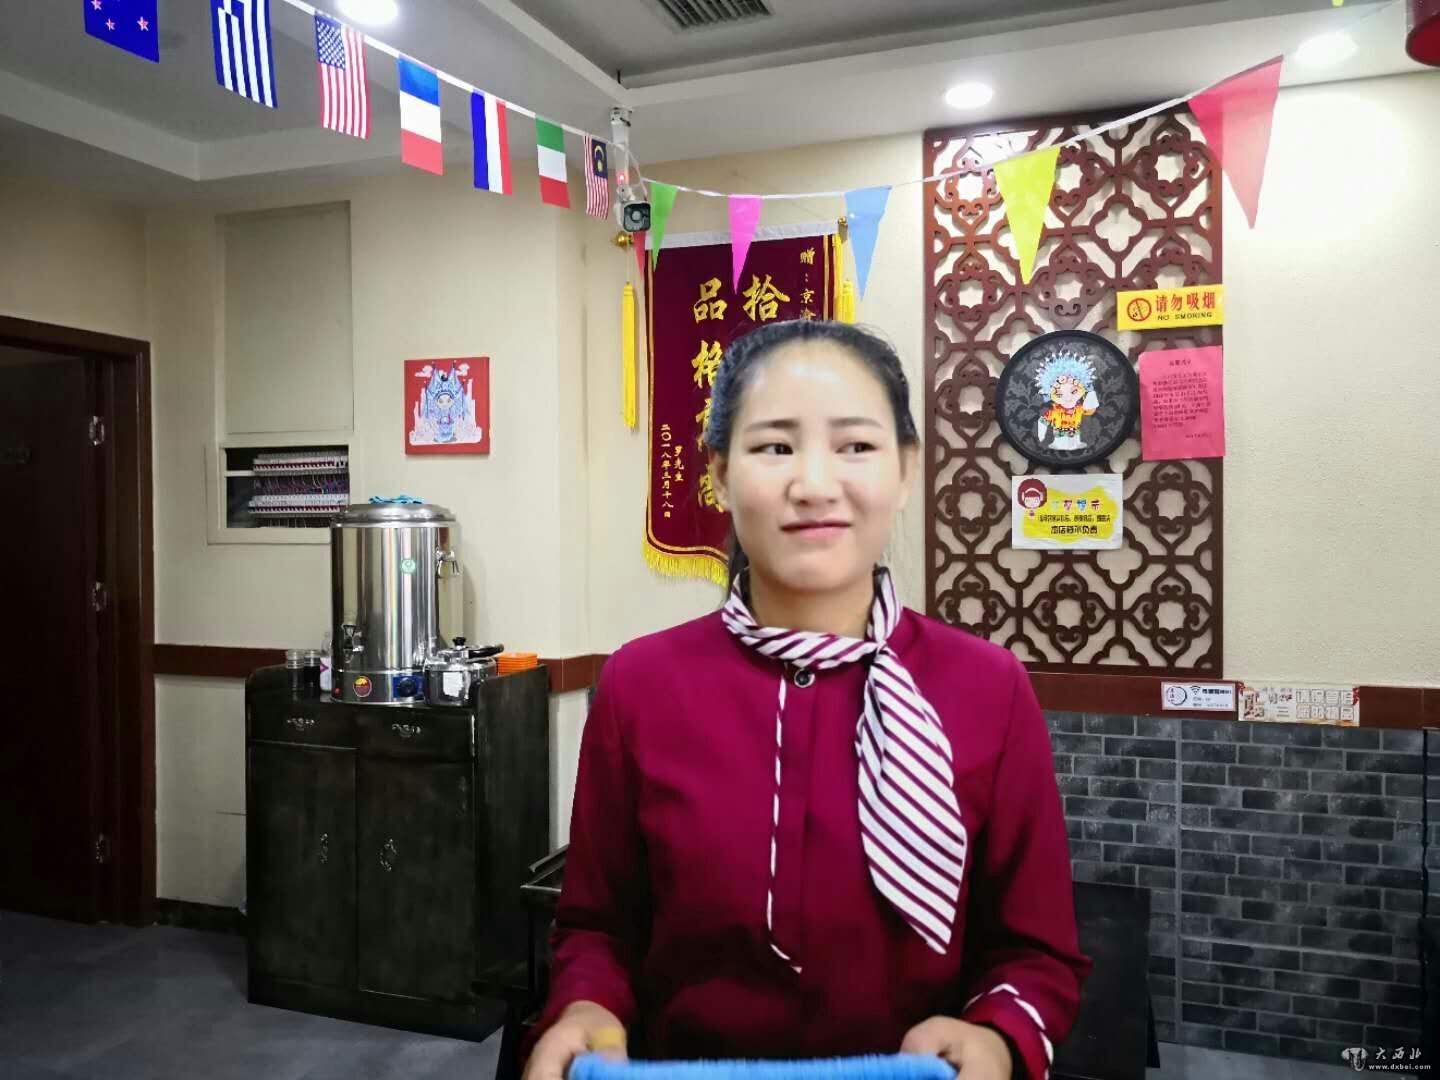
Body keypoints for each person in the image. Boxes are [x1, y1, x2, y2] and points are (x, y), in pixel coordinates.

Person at [522, 320, 1090, 1080]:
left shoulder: (988, 687)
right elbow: (597, 928)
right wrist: (586, 1007)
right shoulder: (640, 684)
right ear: (720, 475)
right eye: (774, 447)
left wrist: (997, 1035)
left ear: (905, 470)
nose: (815, 485)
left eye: (855, 446)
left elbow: (1036, 952)